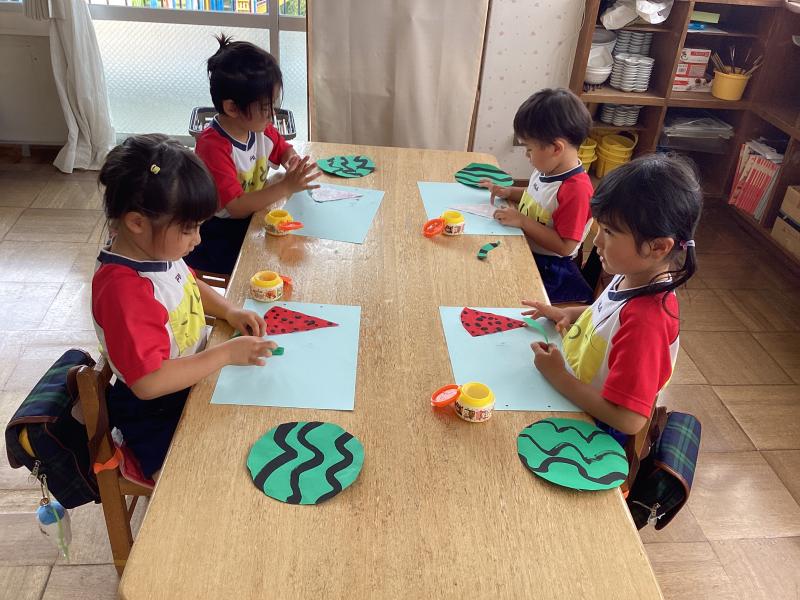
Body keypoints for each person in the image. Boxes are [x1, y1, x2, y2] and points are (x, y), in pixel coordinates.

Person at [93, 134, 277, 479]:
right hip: (157, 413)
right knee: (207, 480)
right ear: (137, 222)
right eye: (190, 229)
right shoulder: (124, 292)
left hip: (189, 379)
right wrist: (224, 354)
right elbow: (148, 383)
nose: (198, 239)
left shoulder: (152, 250)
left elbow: (187, 282)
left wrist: (229, 311)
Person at [523, 154, 702, 439]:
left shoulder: (646, 322)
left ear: (658, 247)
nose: (596, 240)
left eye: (608, 231)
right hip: (575, 393)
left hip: (594, 429)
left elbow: (629, 420)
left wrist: (559, 377)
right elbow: (607, 318)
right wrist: (568, 313)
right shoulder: (633, 273)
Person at [186, 34, 320, 275]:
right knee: (271, 259)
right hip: (217, 232)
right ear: (232, 108)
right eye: (266, 108)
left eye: (273, 106)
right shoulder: (213, 146)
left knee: (299, 242)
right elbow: (236, 207)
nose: (272, 115)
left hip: (251, 216)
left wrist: (291, 161)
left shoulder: (260, 128)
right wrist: (286, 186)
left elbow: (282, 149)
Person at [481, 88, 595, 304]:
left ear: (556, 148)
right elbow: (537, 198)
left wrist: (522, 221)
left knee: (501, 295)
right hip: (528, 248)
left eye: (529, 149)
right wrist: (509, 192)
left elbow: (565, 246)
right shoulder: (547, 170)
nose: (527, 155)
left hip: (551, 269)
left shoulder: (576, 190)